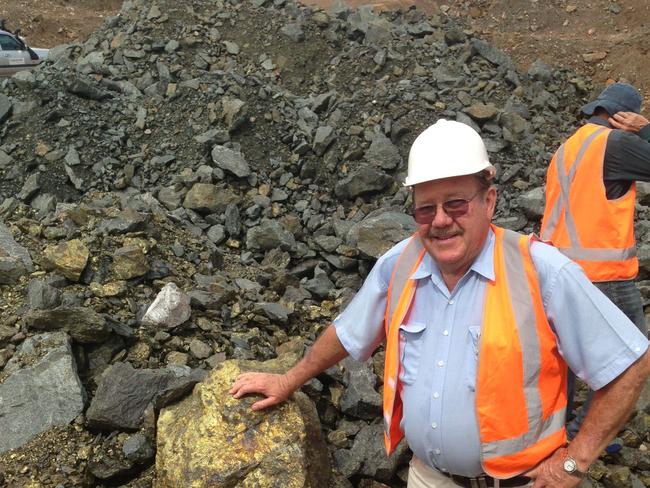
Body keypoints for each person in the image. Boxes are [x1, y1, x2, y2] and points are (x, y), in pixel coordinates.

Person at [231, 119, 650, 488]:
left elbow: (630, 363)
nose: (441, 220)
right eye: (426, 209)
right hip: (429, 478)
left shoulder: (542, 271)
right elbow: (348, 331)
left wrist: (572, 464)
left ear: (489, 200)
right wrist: (289, 380)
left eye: (456, 203)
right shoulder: (398, 264)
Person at [540, 82, 650, 440]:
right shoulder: (615, 143)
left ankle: (554, 436)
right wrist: (645, 128)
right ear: (623, 116)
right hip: (604, 276)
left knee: (567, 363)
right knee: (632, 360)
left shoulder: (568, 147)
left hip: (558, 273)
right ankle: (580, 437)